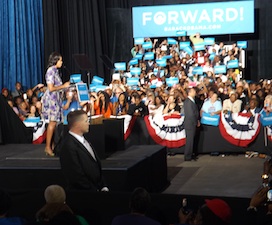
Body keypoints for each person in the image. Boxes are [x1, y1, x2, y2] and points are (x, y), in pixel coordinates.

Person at [59, 110, 108, 191]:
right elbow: (75, 175)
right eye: (86, 121)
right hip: (84, 196)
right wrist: (94, 191)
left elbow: (95, 166)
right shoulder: (68, 146)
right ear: (77, 124)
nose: (88, 123)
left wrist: (103, 186)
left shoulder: (85, 141)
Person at [41, 52, 70, 156]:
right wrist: (63, 86)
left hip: (56, 99)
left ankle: (52, 145)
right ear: (55, 60)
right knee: (52, 123)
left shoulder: (56, 71)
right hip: (51, 100)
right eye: (60, 60)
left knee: (55, 123)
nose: (61, 62)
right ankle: (47, 147)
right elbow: (51, 88)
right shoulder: (50, 71)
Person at [183, 87, 199, 161]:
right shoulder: (188, 102)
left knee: (191, 140)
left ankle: (190, 154)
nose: (195, 92)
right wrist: (196, 122)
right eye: (193, 91)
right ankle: (188, 156)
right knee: (190, 140)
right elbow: (190, 114)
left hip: (192, 123)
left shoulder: (191, 101)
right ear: (189, 93)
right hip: (190, 123)